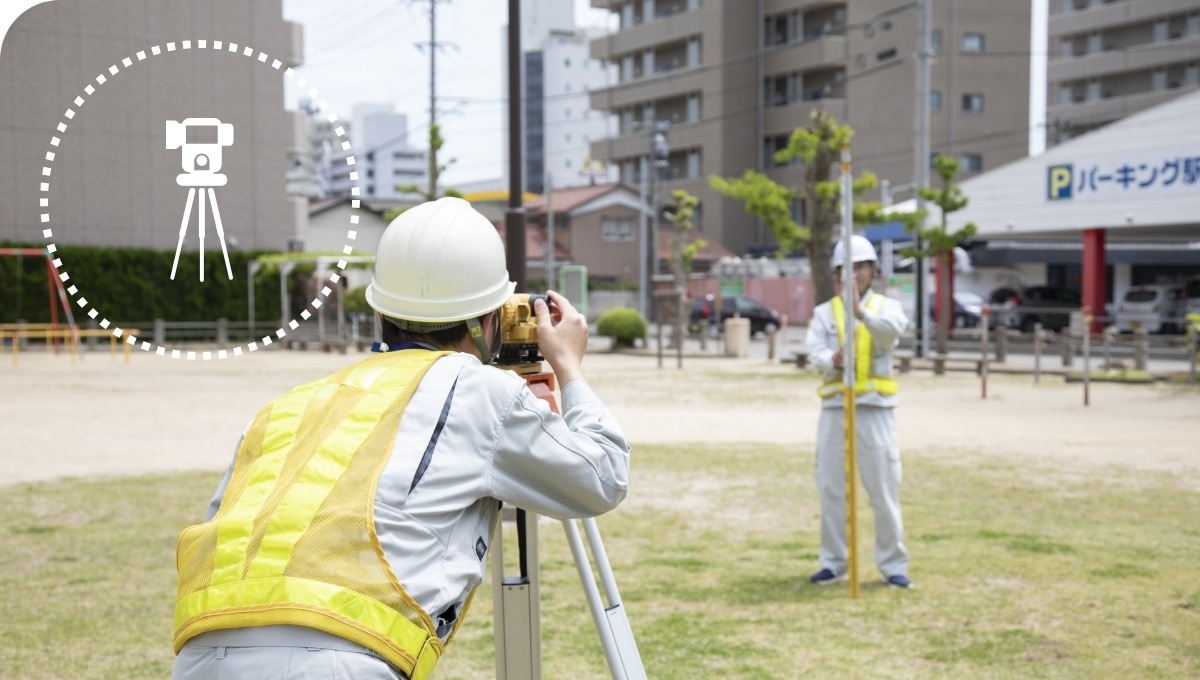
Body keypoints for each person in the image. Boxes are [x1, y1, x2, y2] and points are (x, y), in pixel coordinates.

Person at [172, 197, 631, 680]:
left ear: (380, 309)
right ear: (489, 319)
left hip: (201, 654)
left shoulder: (292, 404)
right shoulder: (477, 391)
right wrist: (570, 366)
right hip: (337, 661)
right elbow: (602, 477)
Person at [805, 234, 912, 589]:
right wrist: (830, 359)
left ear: (872, 271)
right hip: (836, 410)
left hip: (875, 411)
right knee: (832, 488)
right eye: (847, 269)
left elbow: (891, 335)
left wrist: (861, 313)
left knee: (883, 488)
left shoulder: (887, 307)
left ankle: (893, 566)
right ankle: (833, 562)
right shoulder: (824, 312)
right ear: (837, 274)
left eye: (861, 267)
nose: (855, 275)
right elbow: (813, 351)